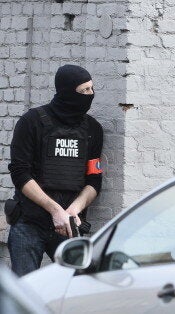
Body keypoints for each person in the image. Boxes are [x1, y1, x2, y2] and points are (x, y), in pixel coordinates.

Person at [7, 64, 103, 276]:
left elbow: (94, 180)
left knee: (77, 290)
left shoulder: (93, 129)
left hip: (70, 226)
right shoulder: (31, 122)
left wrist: (72, 211)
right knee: (24, 293)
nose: (90, 95)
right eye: (84, 90)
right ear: (68, 92)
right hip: (29, 223)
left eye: (92, 89)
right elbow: (20, 173)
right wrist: (54, 210)